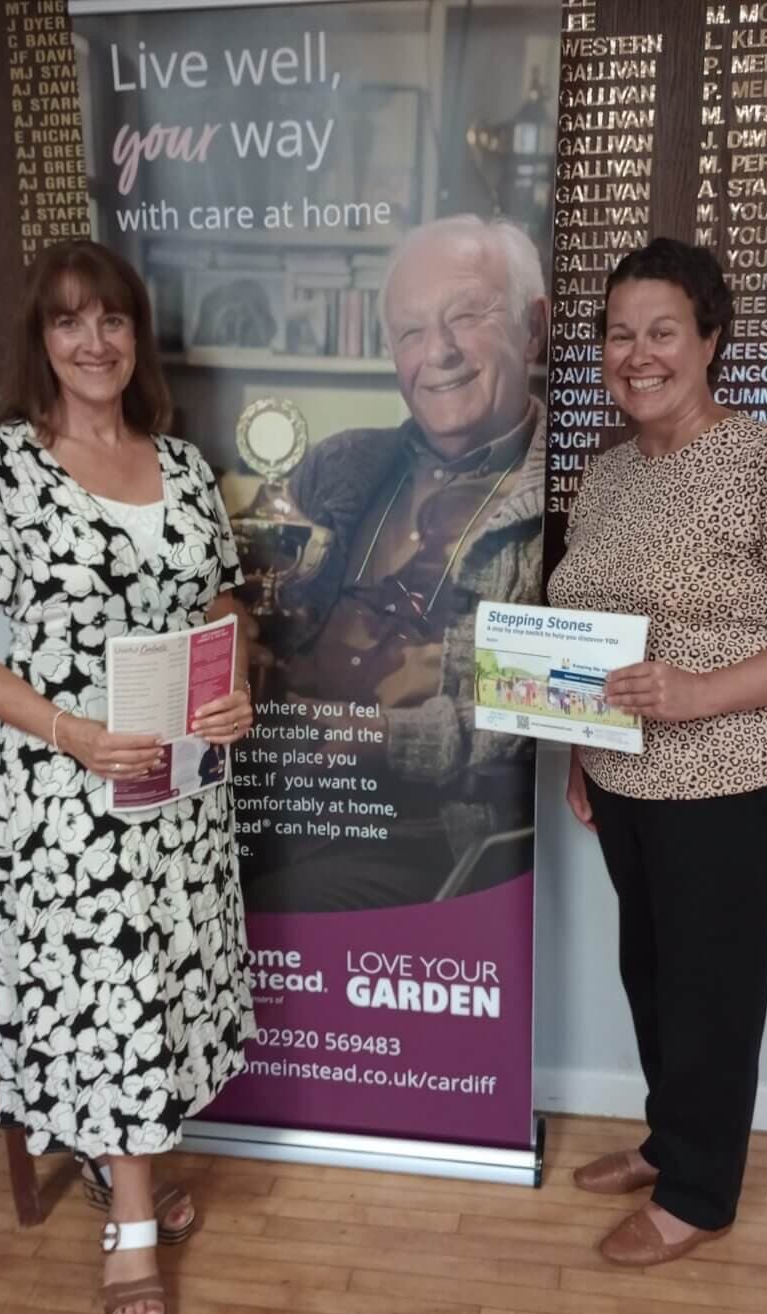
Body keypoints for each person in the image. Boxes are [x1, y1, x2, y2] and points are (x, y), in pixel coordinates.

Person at [0, 240, 256, 1314]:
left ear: (135, 335)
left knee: (163, 985)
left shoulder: (186, 464)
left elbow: (222, 605)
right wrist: (68, 729)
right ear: (41, 342)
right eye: (69, 322)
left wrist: (234, 686)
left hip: (183, 787)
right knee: (104, 993)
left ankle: (126, 1173)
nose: (94, 341)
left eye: (111, 319)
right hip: (71, 794)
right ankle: (134, 1224)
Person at [547, 237, 767, 1266]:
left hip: (732, 785)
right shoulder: (601, 479)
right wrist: (578, 746)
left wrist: (692, 694)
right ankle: (667, 1139)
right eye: (617, 334)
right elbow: (588, 635)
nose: (636, 355)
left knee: (709, 992)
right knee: (650, 973)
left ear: (709, 342)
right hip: (623, 779)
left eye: (661, 332)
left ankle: (698, 1194)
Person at [243, 215, 548, 911]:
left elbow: (544, 714)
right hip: (282, 802)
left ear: (533, 328)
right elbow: (256, 608)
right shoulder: (339, 466)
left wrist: (378, 742)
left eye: (466, 316)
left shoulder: (567, 500)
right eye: (410, 332)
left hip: (430, 841)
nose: (437, 352)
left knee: (264, 902)